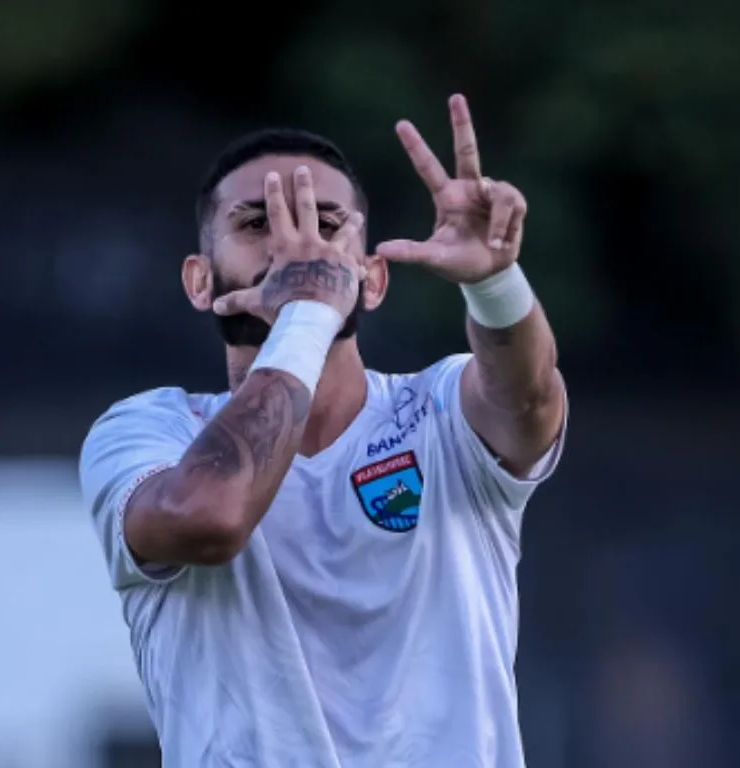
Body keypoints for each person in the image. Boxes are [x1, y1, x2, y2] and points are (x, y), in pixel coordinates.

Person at [79, 94, 567, 767]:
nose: (292, 245)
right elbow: (210, 518)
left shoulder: (442, 411)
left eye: (325, 224)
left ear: (370, 279)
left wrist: (498, 284)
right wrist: (309, 313)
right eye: (257, 223)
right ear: (199, 280)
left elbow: (531, 400)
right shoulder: (146, 431)